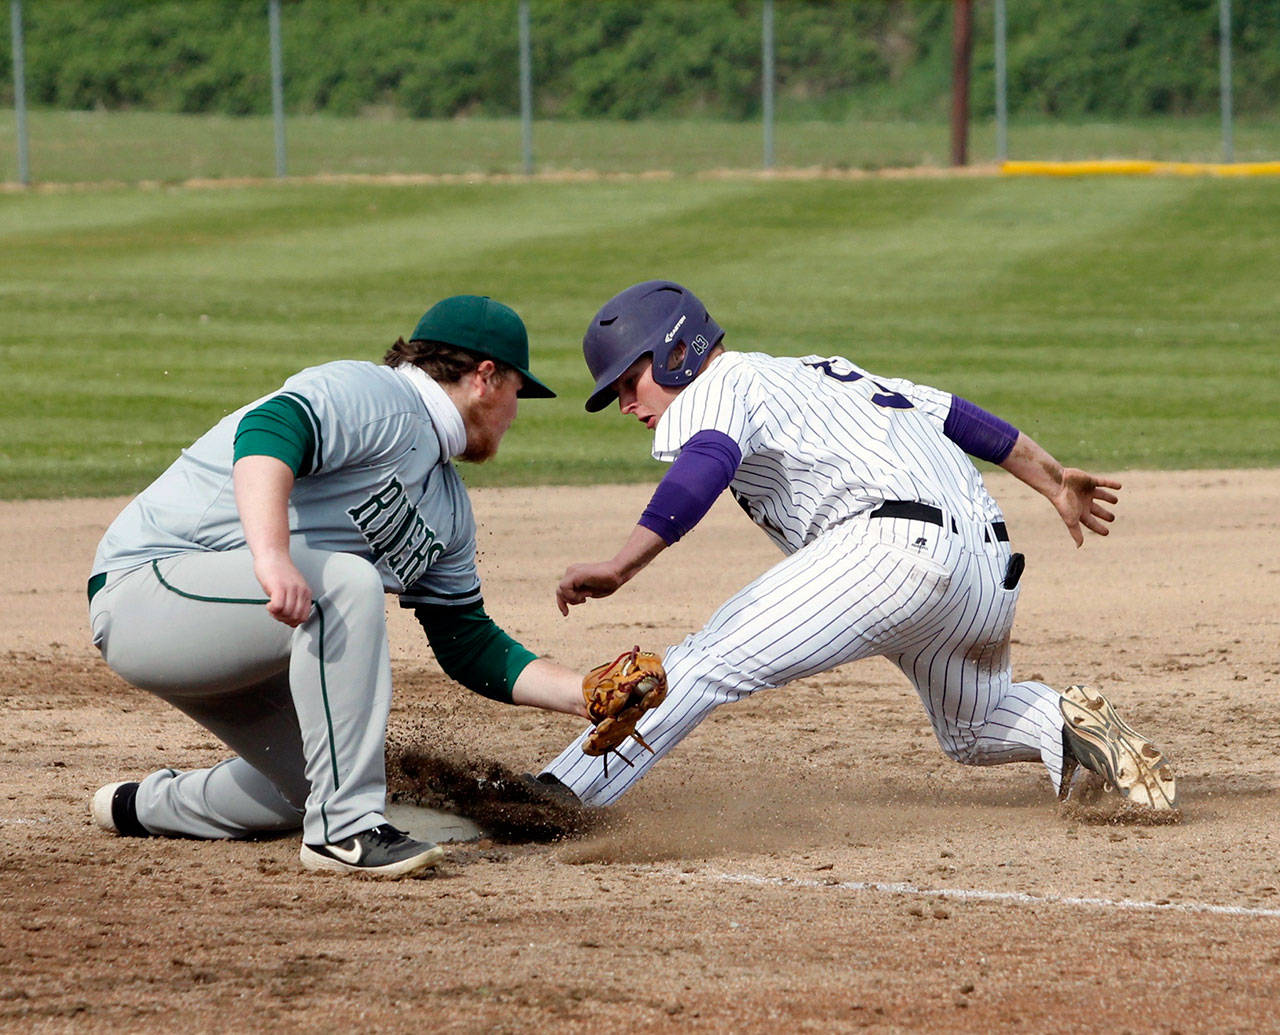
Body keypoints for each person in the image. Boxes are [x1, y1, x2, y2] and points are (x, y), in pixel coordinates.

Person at [540, 279, 1178, 812]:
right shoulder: (820, 372)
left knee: (702, 663)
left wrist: (622, 565)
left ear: (677, 351)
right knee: (976, 728)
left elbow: (707, 462)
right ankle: (1074, 726)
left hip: (889, 552)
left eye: (629, 382)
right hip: (984, 568)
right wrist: (1054, 481)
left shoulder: (721, 387)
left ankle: (555, 799)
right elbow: (954, 414)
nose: (626, 405)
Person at [88, 295, 589, 878]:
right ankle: (344, 832)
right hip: (149, 590)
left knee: (314, 778)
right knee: (345, 583)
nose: (515, 413)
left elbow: (467, 643)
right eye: (517, 393)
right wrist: (272, 557)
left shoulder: (448, 507)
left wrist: (584, 693)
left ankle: (139, 806)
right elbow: (268, 430)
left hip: (246, 632)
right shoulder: (378, 396)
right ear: (485, 378)